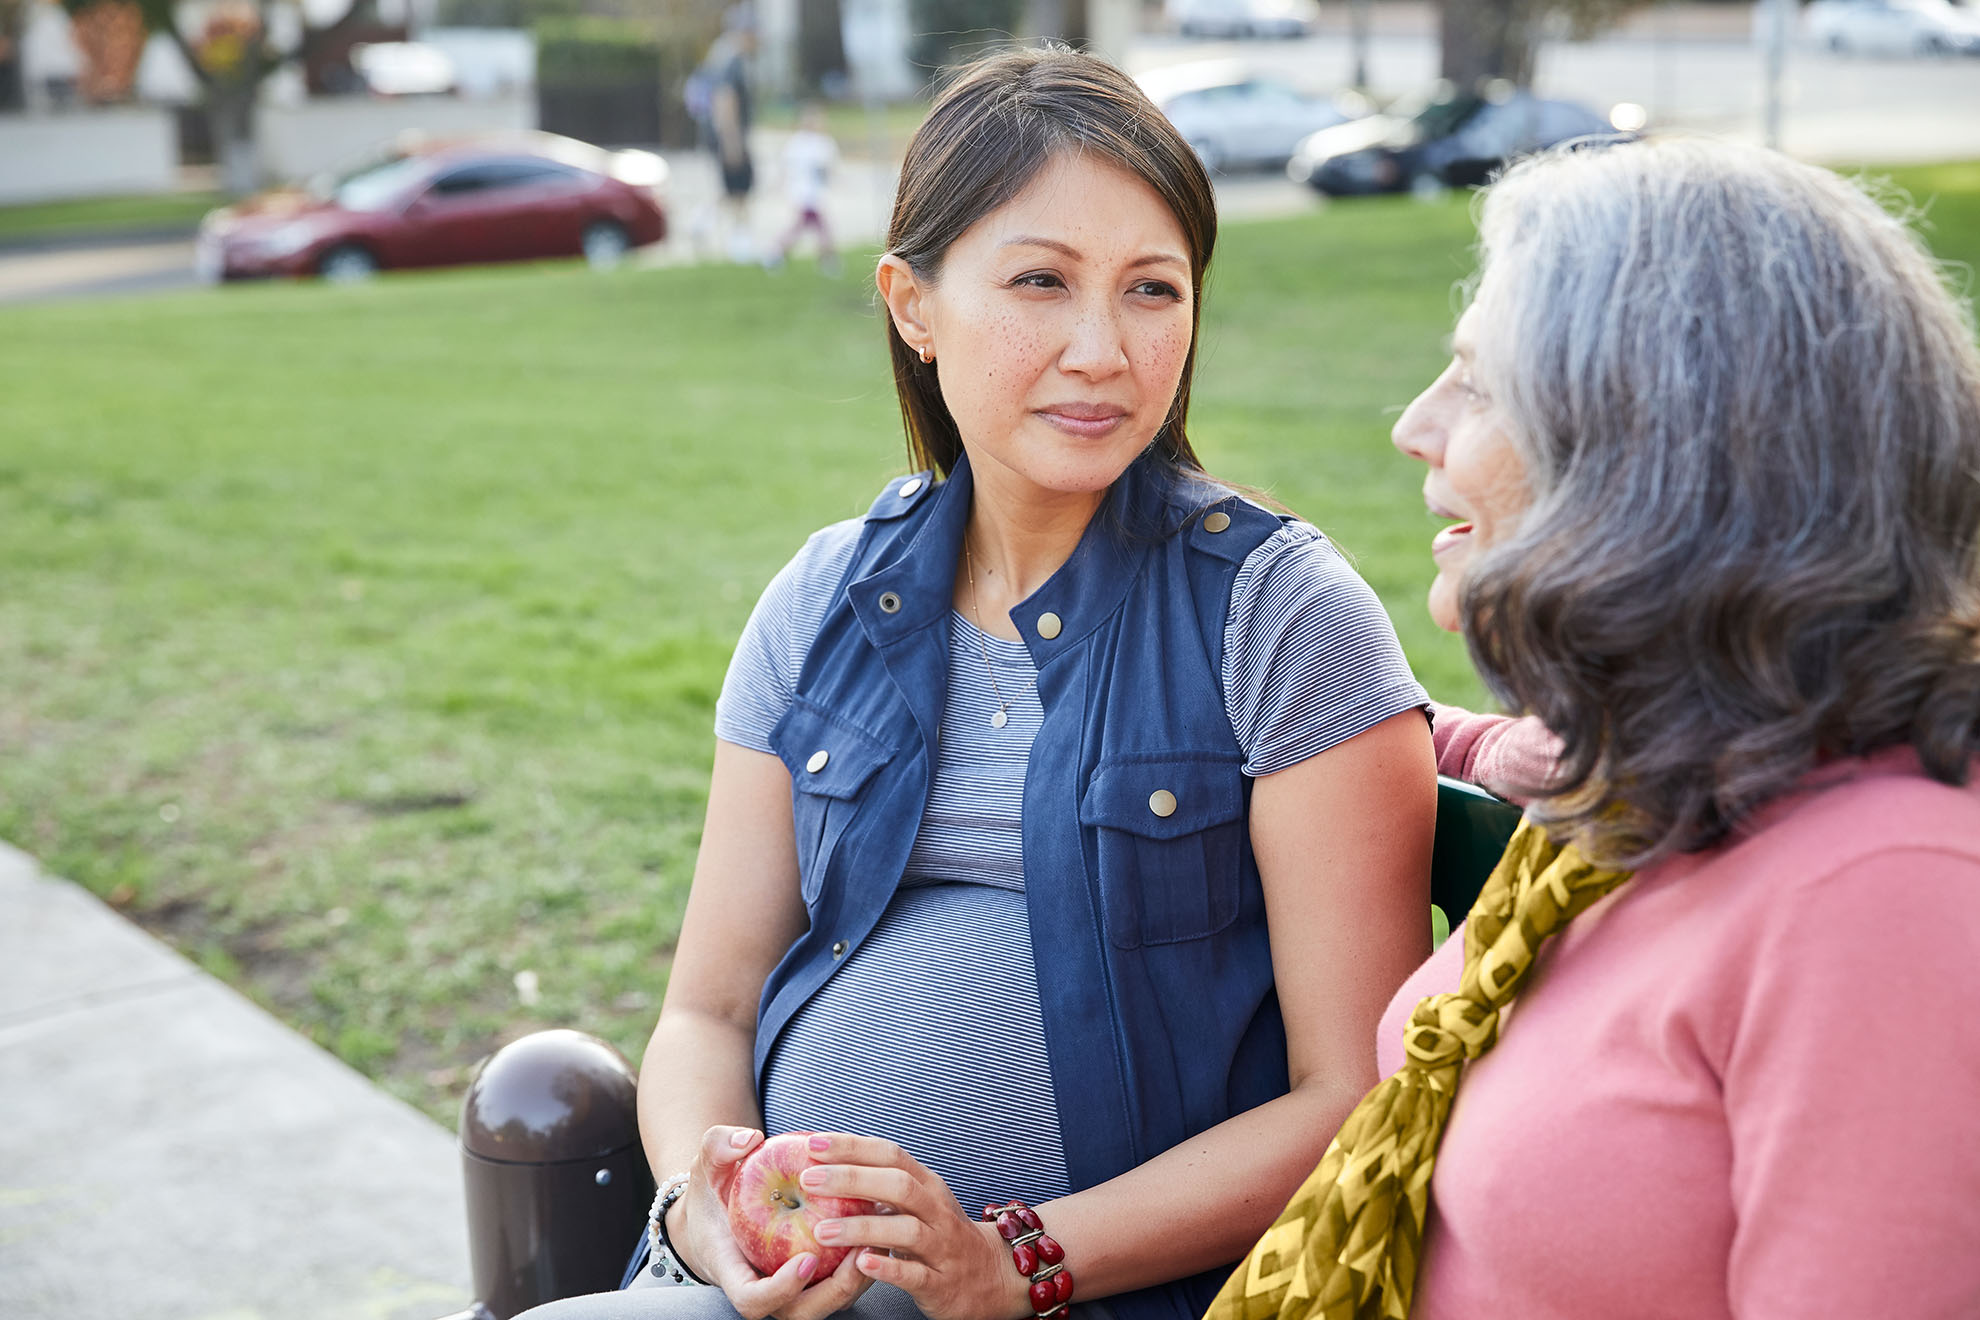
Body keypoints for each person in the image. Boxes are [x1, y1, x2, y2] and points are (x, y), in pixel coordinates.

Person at [520, 46, 1437, 1320]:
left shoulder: (1281, 616)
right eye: (1040, 283)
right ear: (912, 303)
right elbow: (708, 1015)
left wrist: (1013, 1259)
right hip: (766, 1289)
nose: (1104, 349)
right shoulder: (823, 597)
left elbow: (1354, 1095)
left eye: (1152, 290)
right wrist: (702, 1206)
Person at [1206, 137, 1980, 1320]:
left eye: (1483, 385)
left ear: (1660, 452)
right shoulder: (1648, 767)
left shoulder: (1884, 898)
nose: (1417, 425)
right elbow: (1486, 751)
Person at [689, 3, 758, 263]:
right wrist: (732, 142)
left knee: (732, 190)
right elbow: (725, 101)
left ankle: (703, 223)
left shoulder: (722, 57)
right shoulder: (731, 61)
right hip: (730, 137)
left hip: (725, 136)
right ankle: (739, 242)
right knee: (740, 189)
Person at [767, 104, 840, 275]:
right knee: (814, 227)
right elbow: (787, 168)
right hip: (804, 194)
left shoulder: (822, 143)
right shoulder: (798, 143)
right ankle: (777, 251)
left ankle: (778, 252)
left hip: (814, 194)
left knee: (810, 227)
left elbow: (828, 170)